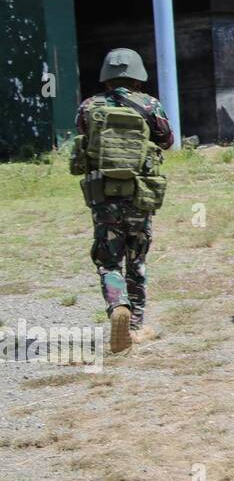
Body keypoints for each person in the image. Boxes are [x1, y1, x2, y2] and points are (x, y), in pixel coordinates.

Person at [72, 49, 173, 353]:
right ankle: (136, 326)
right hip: (140, 194)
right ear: (138, 76)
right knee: (137, 260)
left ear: (105, 77)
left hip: (104, 198)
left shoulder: (89, 107)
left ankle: (118, 305)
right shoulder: (150, 105)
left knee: (108, 260)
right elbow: (166, 140)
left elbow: (82, 135)